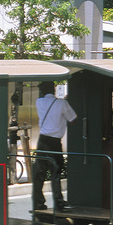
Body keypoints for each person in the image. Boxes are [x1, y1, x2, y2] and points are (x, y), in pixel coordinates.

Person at [33, 81, 77, 212]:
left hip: (42, 140)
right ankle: (59, 203)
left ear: (42, 91)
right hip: (54, 142)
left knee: (39, 173)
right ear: (54, 90)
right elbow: (73, 119)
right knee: (56, 172)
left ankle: (38, 203)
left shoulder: (38, 102)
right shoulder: (62, 103)